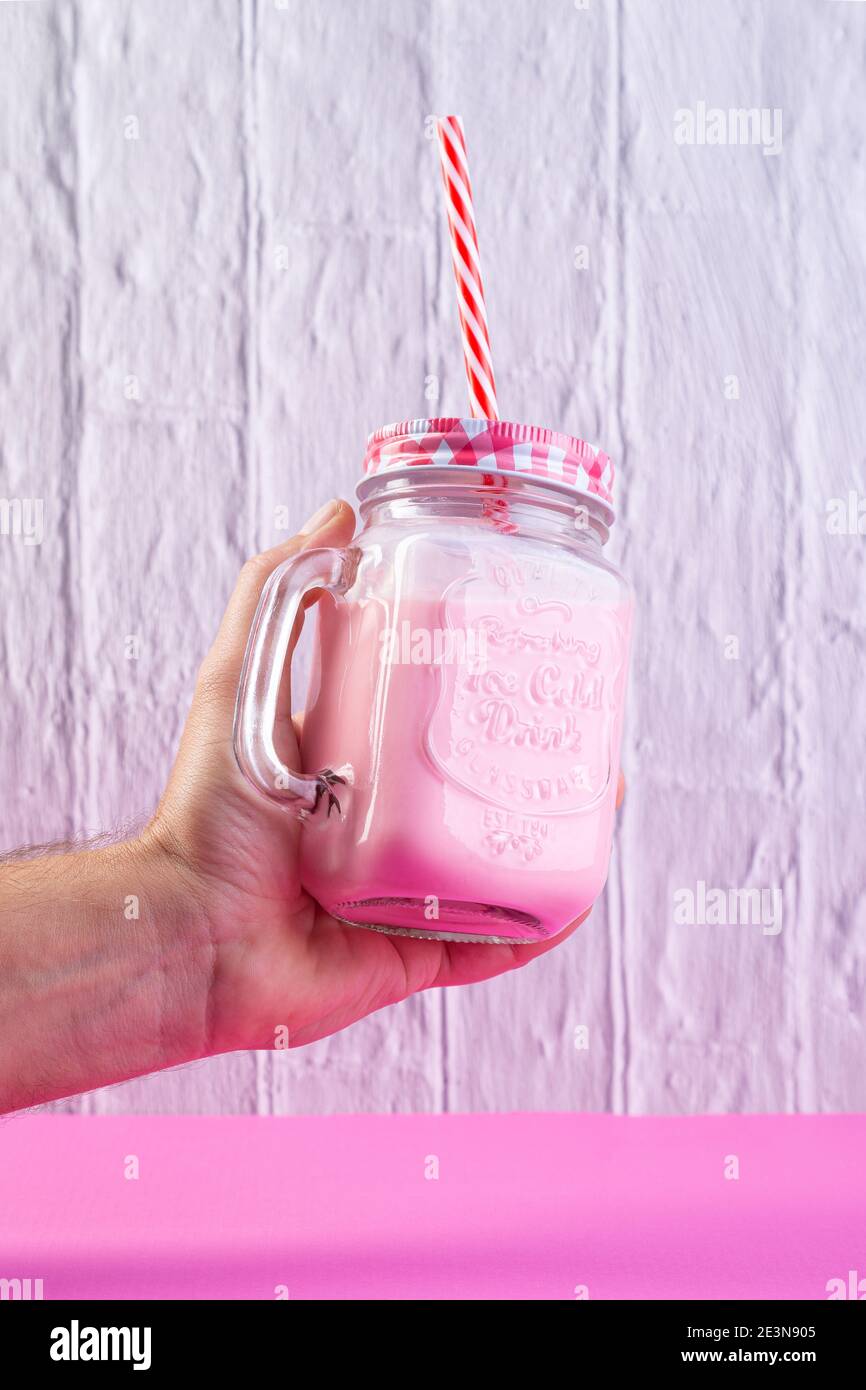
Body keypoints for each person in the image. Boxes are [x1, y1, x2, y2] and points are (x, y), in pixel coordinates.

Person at [0, 500, 623, 1113]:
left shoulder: (599, 587)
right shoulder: (404, 552)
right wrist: (201, 902)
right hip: (455, 887)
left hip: (519, 897)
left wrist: (196, 927)